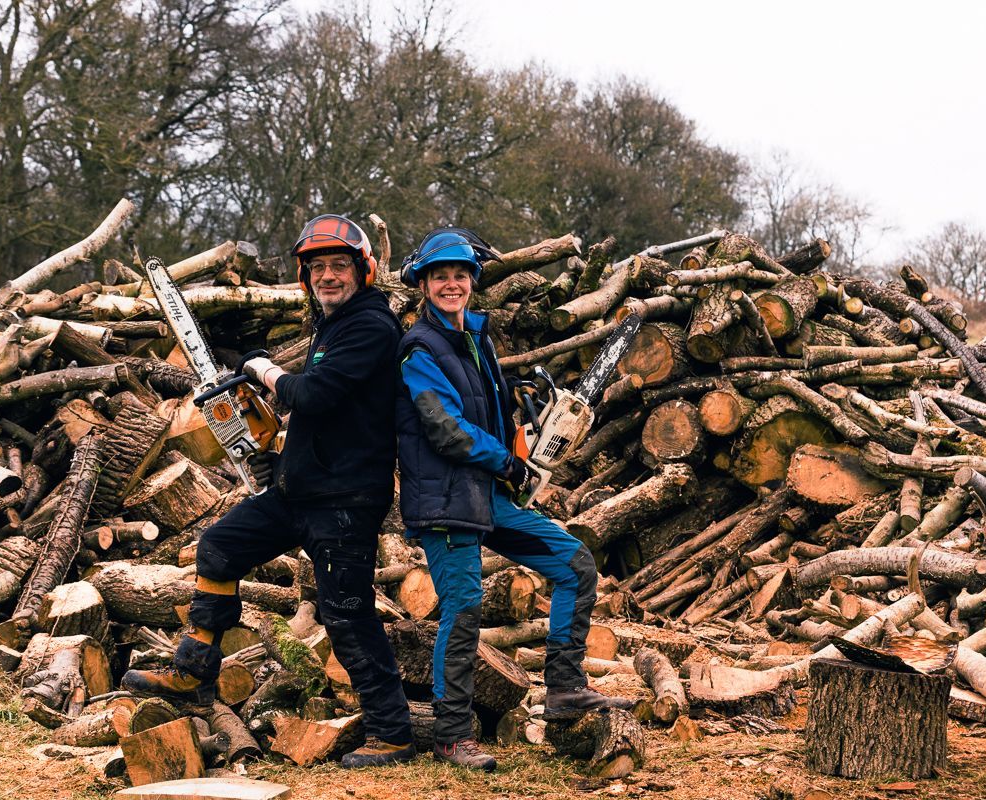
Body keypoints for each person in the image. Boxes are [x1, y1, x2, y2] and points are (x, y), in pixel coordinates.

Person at [123, 214, 415, 768]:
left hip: (345, 502)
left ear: (364, 270)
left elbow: (317, 396)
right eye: (318, 268)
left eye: (338, 266)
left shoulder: (371, 325)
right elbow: (328, 415)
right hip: (300, 491)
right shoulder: (334, 324)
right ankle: (194, 669)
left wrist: (262, 372)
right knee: (220, 548)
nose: (328, 276)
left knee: (346, 613)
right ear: (305, 276)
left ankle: (393, 733)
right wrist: (278, 452)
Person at [395, 228, 634, 772]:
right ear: (424, 284)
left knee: (574, 563)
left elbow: (488, 417)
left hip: (484, 495)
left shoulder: (476, 338)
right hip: (445, 501)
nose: (451, 284)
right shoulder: (418, 348)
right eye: (440, 276)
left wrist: (521, 425)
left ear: (472, 282)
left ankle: (565, 689)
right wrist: (506, 461)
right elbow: (444, 428)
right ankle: (452, 734)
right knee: (464, 607)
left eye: (459, 275)